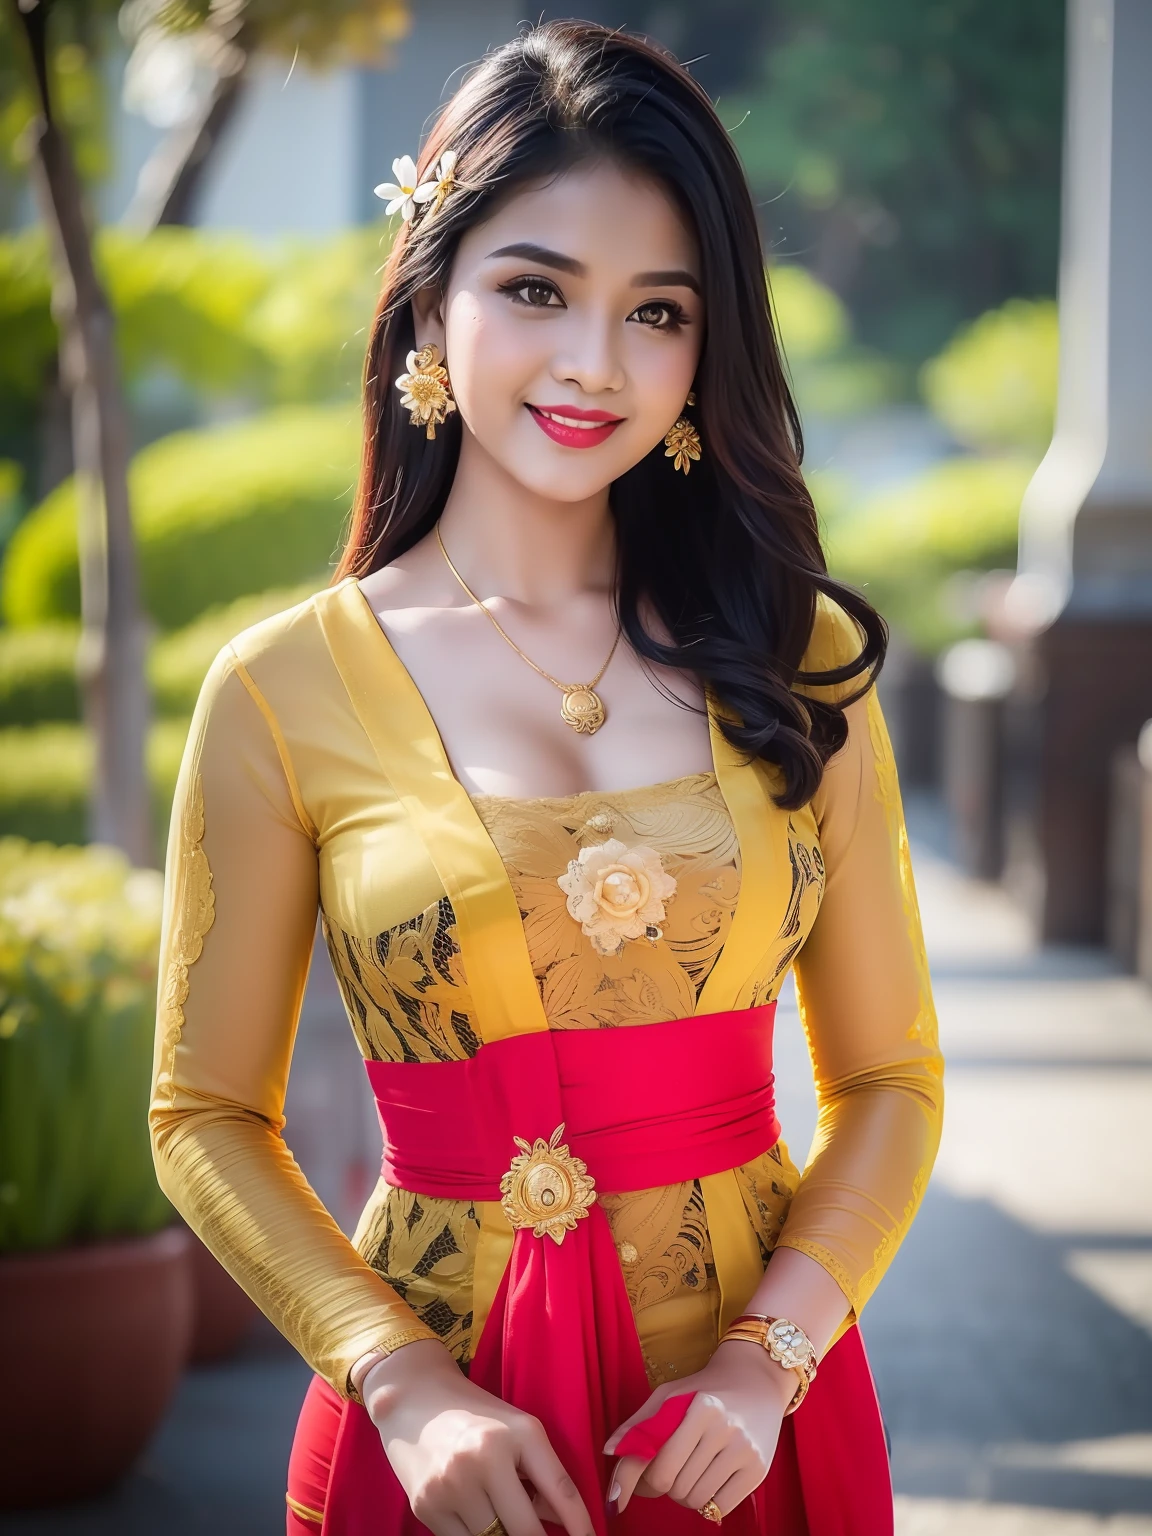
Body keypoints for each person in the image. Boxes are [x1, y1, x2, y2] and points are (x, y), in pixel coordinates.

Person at [150, 20, 943, 1536]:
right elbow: (201, 1113)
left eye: (659, 312)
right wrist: (394, 1378)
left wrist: (769, 1365)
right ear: (430, 302)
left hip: (742, 1445)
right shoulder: (281, 690)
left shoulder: (799, 654)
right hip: (439, 1451)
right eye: (534, 290)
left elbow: (892, 1082)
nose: (596, 364)